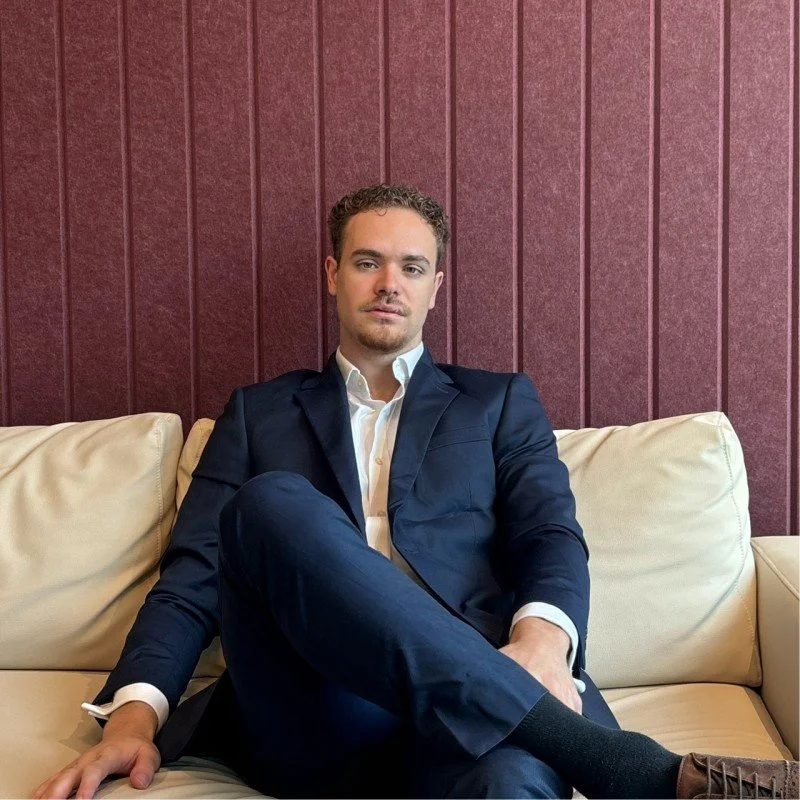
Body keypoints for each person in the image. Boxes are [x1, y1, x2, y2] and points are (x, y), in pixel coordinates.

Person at [35, 185, 798, 799]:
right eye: (367, 261)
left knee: (514, 778)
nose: (389, 283)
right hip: (312, 705)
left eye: (410, 266)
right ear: (332, 274)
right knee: (269, 504)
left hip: (470, 712)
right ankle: (631, 772)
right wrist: (131, 715)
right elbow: (193, 578)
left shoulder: (497, 402)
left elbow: (548, 535)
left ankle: (539, 730)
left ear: (437, 285)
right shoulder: (258, 411)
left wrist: (540, 642)